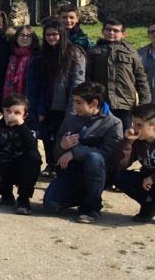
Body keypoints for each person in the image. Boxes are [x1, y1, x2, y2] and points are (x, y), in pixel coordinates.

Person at [43, 82, 123, 223]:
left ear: (94, 103)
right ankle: (83, 197)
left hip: (98, 175)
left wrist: (75, 152)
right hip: (72, 174)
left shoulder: (114, 124)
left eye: (79, 102)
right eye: (73, 102)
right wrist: (62, 146)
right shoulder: (70, 121)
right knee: (51, 204)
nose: (74, 106)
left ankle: (92, 208)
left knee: (94, 158)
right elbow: (56, 156)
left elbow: (107, 154)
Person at [27, 20, 85, 176]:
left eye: (54, 34)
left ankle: (62, 166)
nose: (51, 37)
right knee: (47, 135)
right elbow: (38, 82)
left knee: (63, 136)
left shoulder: (74, 53)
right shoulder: (42, 54)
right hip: (46, 102)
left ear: (62, 34)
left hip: (65, 102)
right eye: (48, 34)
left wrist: (73, 108)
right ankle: (51, 164)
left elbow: (77, 83)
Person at [0, 94, 42, 215]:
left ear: (25, 115)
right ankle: (6, 192)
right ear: (3, 111)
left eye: (17, 112)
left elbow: (32, 147)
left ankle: (23, 199)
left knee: (34, 157)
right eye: (8, 111)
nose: (11, 115)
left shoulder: (29, 128)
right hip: (2, 167)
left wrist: (21, 125)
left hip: (22, 169)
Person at [86, 18, 151, 130]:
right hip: (101, 104)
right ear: (103, 31)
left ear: (123, 34)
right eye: (108, 30)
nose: (111, 33)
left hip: (125, 104)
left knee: (123, 139)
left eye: (116, 31)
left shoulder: (131, 52)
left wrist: (144, 103)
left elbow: (141, 78)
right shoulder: (93, 52)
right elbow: (87, 77)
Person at [2, 25, 38, 99]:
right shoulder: (10, 56)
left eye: (28, 36)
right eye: (21, 35)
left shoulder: (36, 57)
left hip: (29, 99)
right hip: (10, 99)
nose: (24, 38)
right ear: (16, 38)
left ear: (33, 39)